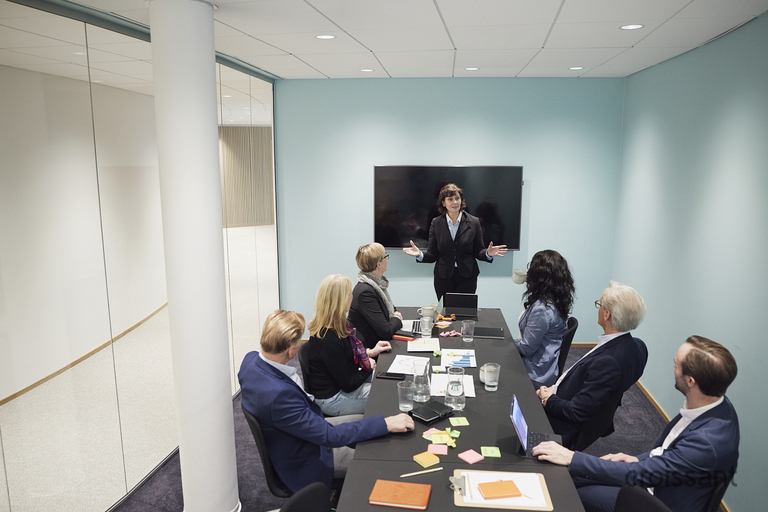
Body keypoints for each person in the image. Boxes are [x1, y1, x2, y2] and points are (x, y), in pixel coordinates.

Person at [533, 336, 739, 512]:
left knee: (567, 489)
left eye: (676, 365)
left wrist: (571, 457)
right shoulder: (717, 404)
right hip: (656, 476)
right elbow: (666, 454)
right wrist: (637, 458)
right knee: (570, 475)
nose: (673, 368)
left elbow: (642, 474)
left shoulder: (706, 443)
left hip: (657, 501)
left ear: (691, 381)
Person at [239, 310, 414, 493]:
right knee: (377, 459)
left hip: (301, 431)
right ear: (291, 350)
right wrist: (385, 424)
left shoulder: (250, 360)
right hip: (307, 459)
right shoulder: (280, 395)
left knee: (368, 419)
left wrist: (382, 424)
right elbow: (330, 436)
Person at [537, 280, 648, 448]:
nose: (598, 308)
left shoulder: (608, 363)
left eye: (600, 305)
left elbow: (575, 411)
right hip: (577, 406)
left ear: (607, 315)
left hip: (563, 425)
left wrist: (548, 399)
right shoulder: (638, 347)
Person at [302, 274, 392, 416]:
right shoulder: (328, 339)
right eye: (350, 293)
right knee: (388, 395)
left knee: (388, 382)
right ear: (341, 300)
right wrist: (368, 368)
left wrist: (369, 352)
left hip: (343, 383)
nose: (352, 297)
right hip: (332, 398)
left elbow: (345, 355)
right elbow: (348, 384)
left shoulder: (337, 324)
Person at [403, 183, 508, 300]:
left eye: (457, 198)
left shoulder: (474, 222)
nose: (455, 202)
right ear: (443, 203)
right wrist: (419, 254)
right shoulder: (436, 223)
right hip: (443, 277)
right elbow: (432, 255)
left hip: (467, 276)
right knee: (446, 310)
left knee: (464, 309)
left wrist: (487, 253)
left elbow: (478, 251)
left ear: (461, 200)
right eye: (450, 199)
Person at [514, 250, 575, 388]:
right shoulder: (556, 300)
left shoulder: (542, 309)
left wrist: (509, 342)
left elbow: (527, 348)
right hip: (545, 368)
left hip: (535, 373)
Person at [348, 243, 404, 349]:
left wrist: (395, 317)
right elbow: (386, 331)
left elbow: (390, 309)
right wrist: (397, 318)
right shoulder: (365, 292)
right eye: (385, 256)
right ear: (379, 265)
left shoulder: (376, 284)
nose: (387, 258)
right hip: (368, 348)